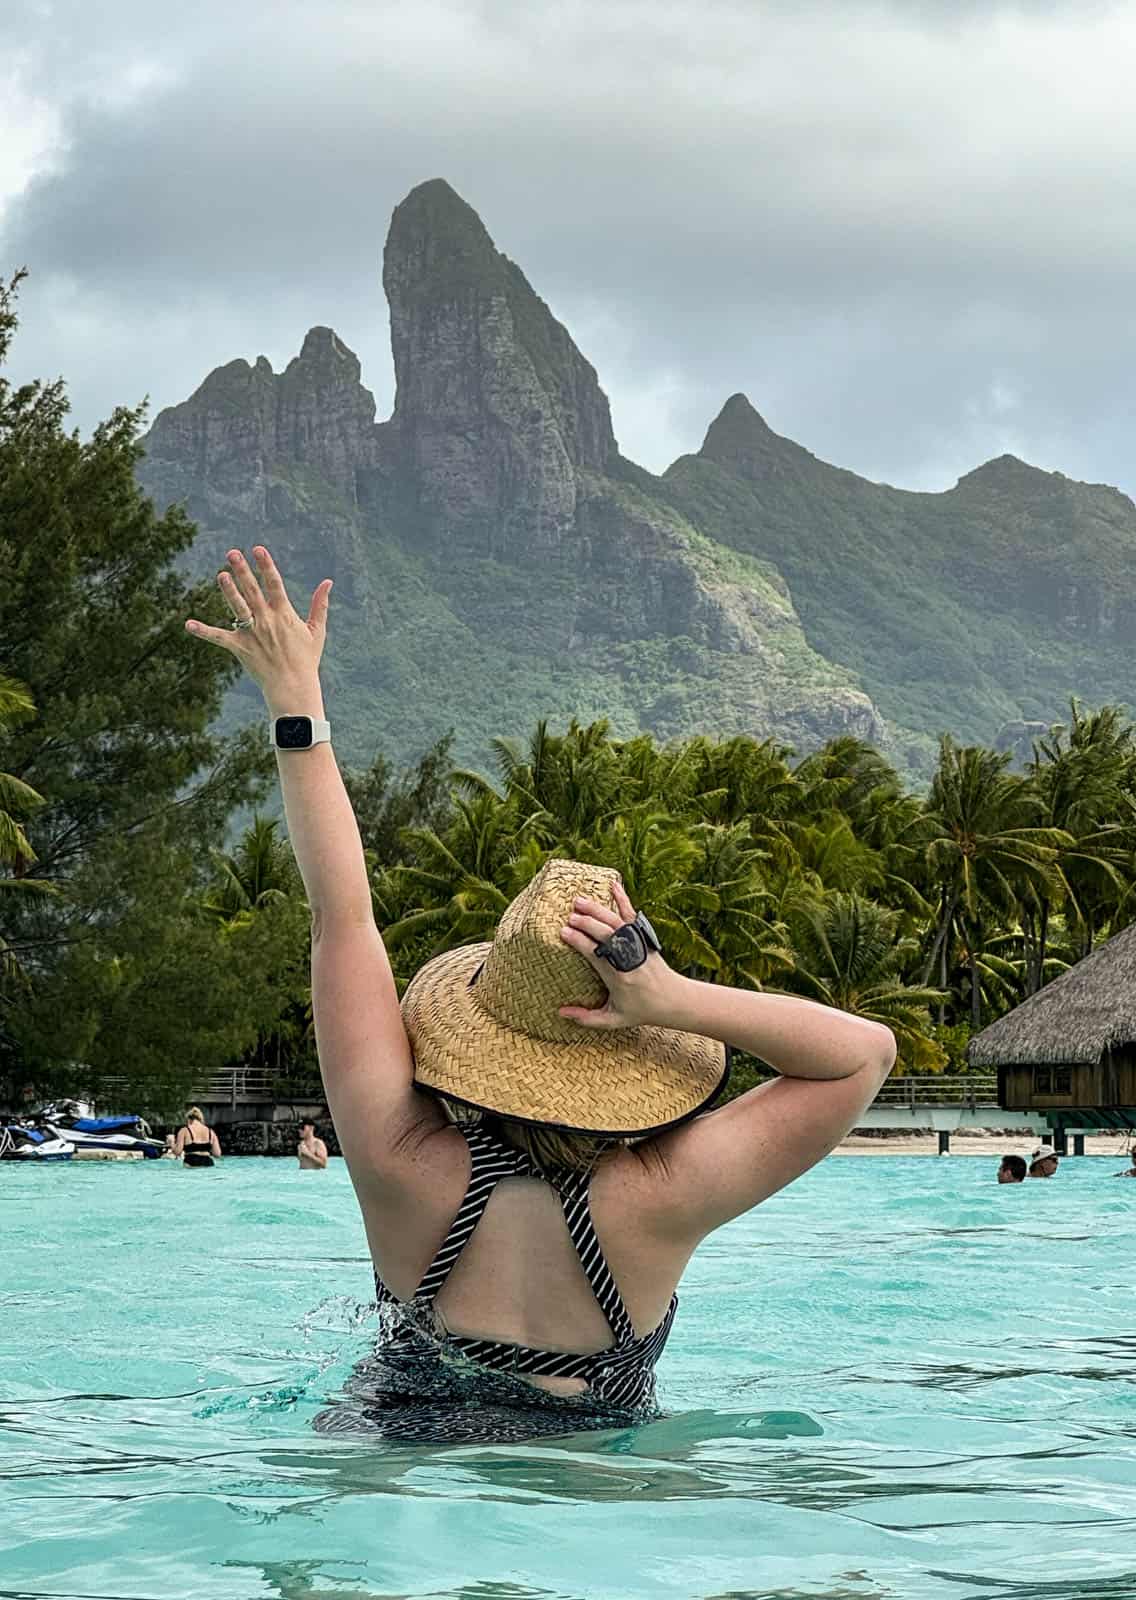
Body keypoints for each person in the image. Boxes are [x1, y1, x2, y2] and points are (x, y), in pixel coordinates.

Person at [184, 546, 897, 1443]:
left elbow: (343, 919)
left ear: (478, 1023)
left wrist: (300, 706)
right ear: (630, 1059)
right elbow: (862, 1054)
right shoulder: (663, 1196)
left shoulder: (399, 1159)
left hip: (395, 1456)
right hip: (592, 1490)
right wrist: (669, 998)